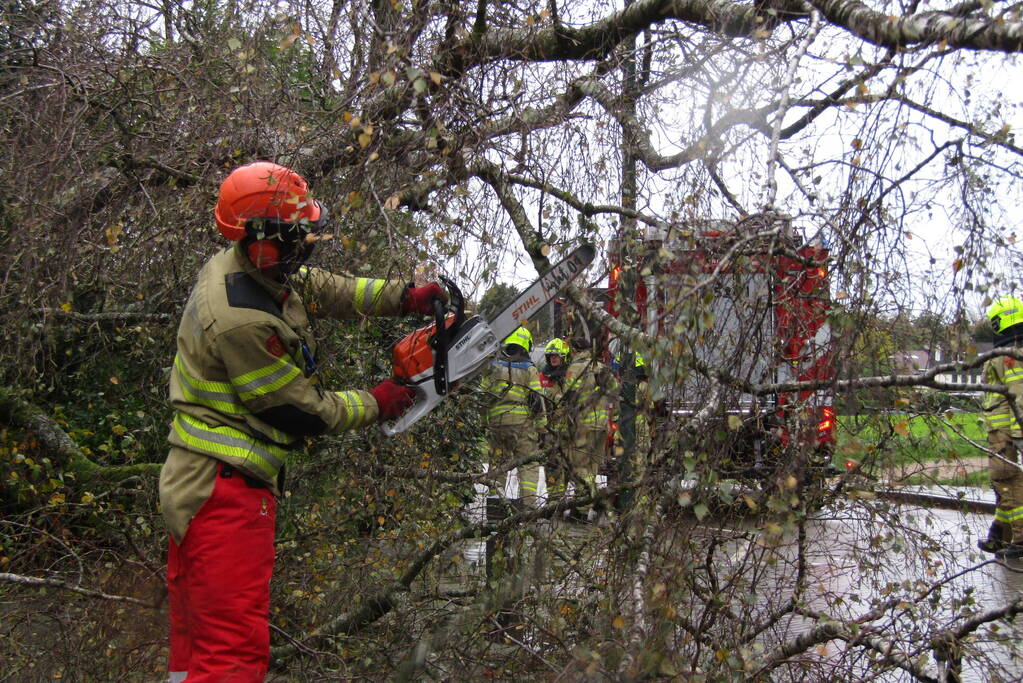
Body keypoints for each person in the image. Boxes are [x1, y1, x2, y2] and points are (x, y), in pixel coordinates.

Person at [159, 160, 444, 682]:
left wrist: (405, 296)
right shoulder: (241, 318)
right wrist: (378, 401)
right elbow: (301, 410)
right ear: (264, 240)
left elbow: (330, 289)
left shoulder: (252, 267)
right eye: (296, 235)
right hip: (223, 495)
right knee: (233, 656)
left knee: (195, 653)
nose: (306, 245)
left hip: (199, 483)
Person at [480, 326, 546, 507]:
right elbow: (537, 401)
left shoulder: (494, 367)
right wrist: (542, 428)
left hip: (497, 424)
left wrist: (482, 422)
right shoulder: (530, 370)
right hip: (522, 427)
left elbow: (483, 395)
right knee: (528, 465)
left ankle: (495, 506)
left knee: (498, 466)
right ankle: (528, 508)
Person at [980, 296, 1023, 560]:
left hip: (1006, 435)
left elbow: (1020, 393)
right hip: (1001, 435)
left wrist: (1019, 434)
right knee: (1002, 484)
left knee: (1008, 483)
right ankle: (999, 537)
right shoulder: (1011, 352)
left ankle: (1019, 538)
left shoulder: (1011, 355)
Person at [562, 335, 618, 514]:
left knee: (579, 466)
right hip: (601, 427)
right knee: (592, 468)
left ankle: (584, 507)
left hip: (583, 427)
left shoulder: (575, 368)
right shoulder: (600, 367)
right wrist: (614, 418)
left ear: (574, 350)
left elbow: (568, 398)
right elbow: (615, 391)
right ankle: (587, 505)